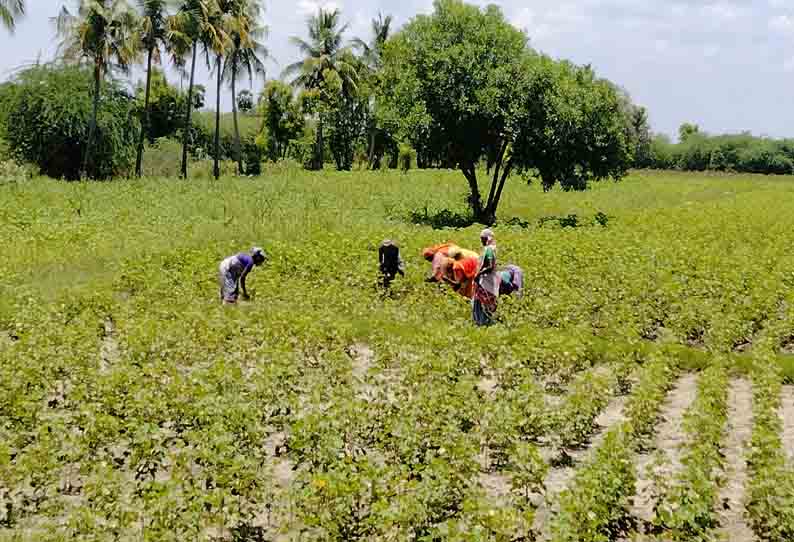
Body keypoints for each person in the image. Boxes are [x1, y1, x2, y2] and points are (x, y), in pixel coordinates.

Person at [473, 229, 499, 326]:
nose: (481, 241)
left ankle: (483, 322)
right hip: (490, 279)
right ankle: (486, 322)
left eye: (483, 239)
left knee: (482, 300)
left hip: (486, 279)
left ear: (487, 238)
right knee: (487, 300)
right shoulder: (492, 248)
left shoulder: (489, 250)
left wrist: (478, 274)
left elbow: (490, 266)